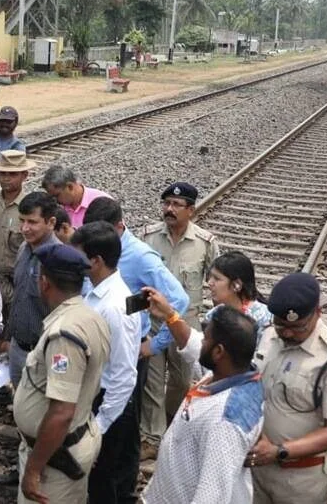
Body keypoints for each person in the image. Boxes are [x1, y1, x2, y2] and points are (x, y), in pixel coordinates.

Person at [81, 196, 189, 469]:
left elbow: (178, 300)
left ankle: (119, 480)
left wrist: (155, 345)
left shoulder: (140, 256)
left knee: (122, 425)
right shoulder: (91, 250)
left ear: (119, 227)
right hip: (94, 346)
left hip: (124, 351)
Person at [141, 292, 265, 504]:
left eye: (206, 338)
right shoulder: (230, 375)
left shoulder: (225, 422)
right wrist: (170, 316)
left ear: (218, 352)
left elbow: (212, 496)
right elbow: (192, 345)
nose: (202, 341)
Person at [249, 273, 327, 504]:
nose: (288, 333)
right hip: (257, 471)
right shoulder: (270, 336)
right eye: (282, 325)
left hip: (301, 481)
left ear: (317, 313)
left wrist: (279, 451)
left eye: (298, 327)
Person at [13, 243, 111, 504]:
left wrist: (33, 469)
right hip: (66, 444)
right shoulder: (89, 316)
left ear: (44, 282)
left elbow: (61, 412)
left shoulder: (65, 335)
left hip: (54, 460)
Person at [140, 182, 220, 458]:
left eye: (176, 205)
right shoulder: (149, 237)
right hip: (154, 323)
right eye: (166, 204)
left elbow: (216, 282)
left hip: (185, 326)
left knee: (182, 380)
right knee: (151, 381)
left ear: (191, 210)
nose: (169, 209)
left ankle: (172, 425)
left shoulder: (205, 243)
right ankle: (152, 438)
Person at [70, 222, 144, 504]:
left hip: (109, 405)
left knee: (105, 482)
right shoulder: (96, 292)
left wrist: (100, 426)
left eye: (79, 257)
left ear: (96, 261)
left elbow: (123, 375)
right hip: (96, 398)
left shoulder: (115, 307)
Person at [4, 192, 63, 386]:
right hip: (17, 348)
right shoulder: (24, 248)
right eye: (22, 221)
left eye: (32, 222)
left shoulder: (58, 259)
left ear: (51, 222)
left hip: (43, 354)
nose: (24, 228)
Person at [0, 150, 33, 320]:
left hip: (17, 282)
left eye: (12, 174)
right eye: (3, 173)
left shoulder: (30, 208)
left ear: (24, 175)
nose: (6, 179)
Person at [205, 251, 271, 342]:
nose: (209, 283)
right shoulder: (213, 315)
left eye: (217, 279)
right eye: (210, 277)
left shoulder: (263, 317)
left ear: (237, 285)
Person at [42, 166, 112, 228]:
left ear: (70, 187)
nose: (55, 201)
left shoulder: (103, 202)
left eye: (57, 195)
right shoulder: (59, 208)